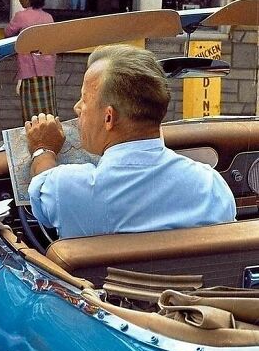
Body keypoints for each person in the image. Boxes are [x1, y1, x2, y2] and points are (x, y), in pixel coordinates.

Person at [25, 44, 236, 239]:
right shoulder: (211, 186)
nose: (77, 107)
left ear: (109, 118)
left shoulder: (67, 189)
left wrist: (42, 149)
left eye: (84, 99)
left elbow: (43, 188)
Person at [5, 0, 57, 121]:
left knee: (31, 114)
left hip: (29, 71)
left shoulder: (21, 16)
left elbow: (8, 32)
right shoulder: (48, 17)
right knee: (48, 110)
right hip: (48, 70)